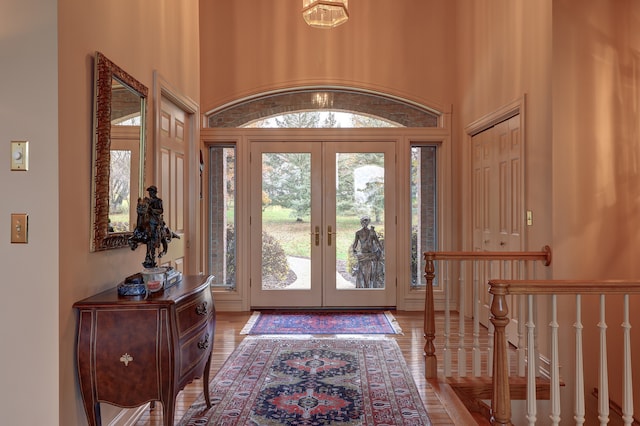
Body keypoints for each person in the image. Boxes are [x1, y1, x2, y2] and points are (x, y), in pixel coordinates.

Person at [352, 216, 384, 288]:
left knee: (371, 273)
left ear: (368, 222)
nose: (365, 223)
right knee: (362, 272)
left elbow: (377, 242)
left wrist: (381, 250)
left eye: (366, 221)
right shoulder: (358, 233)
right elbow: (355, 243)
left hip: (371, 254)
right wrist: (354, 250)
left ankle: (370, 288)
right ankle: (362, 287)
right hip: (363, 255)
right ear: (361, 222)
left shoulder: (372, 232)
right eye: (363, 221)